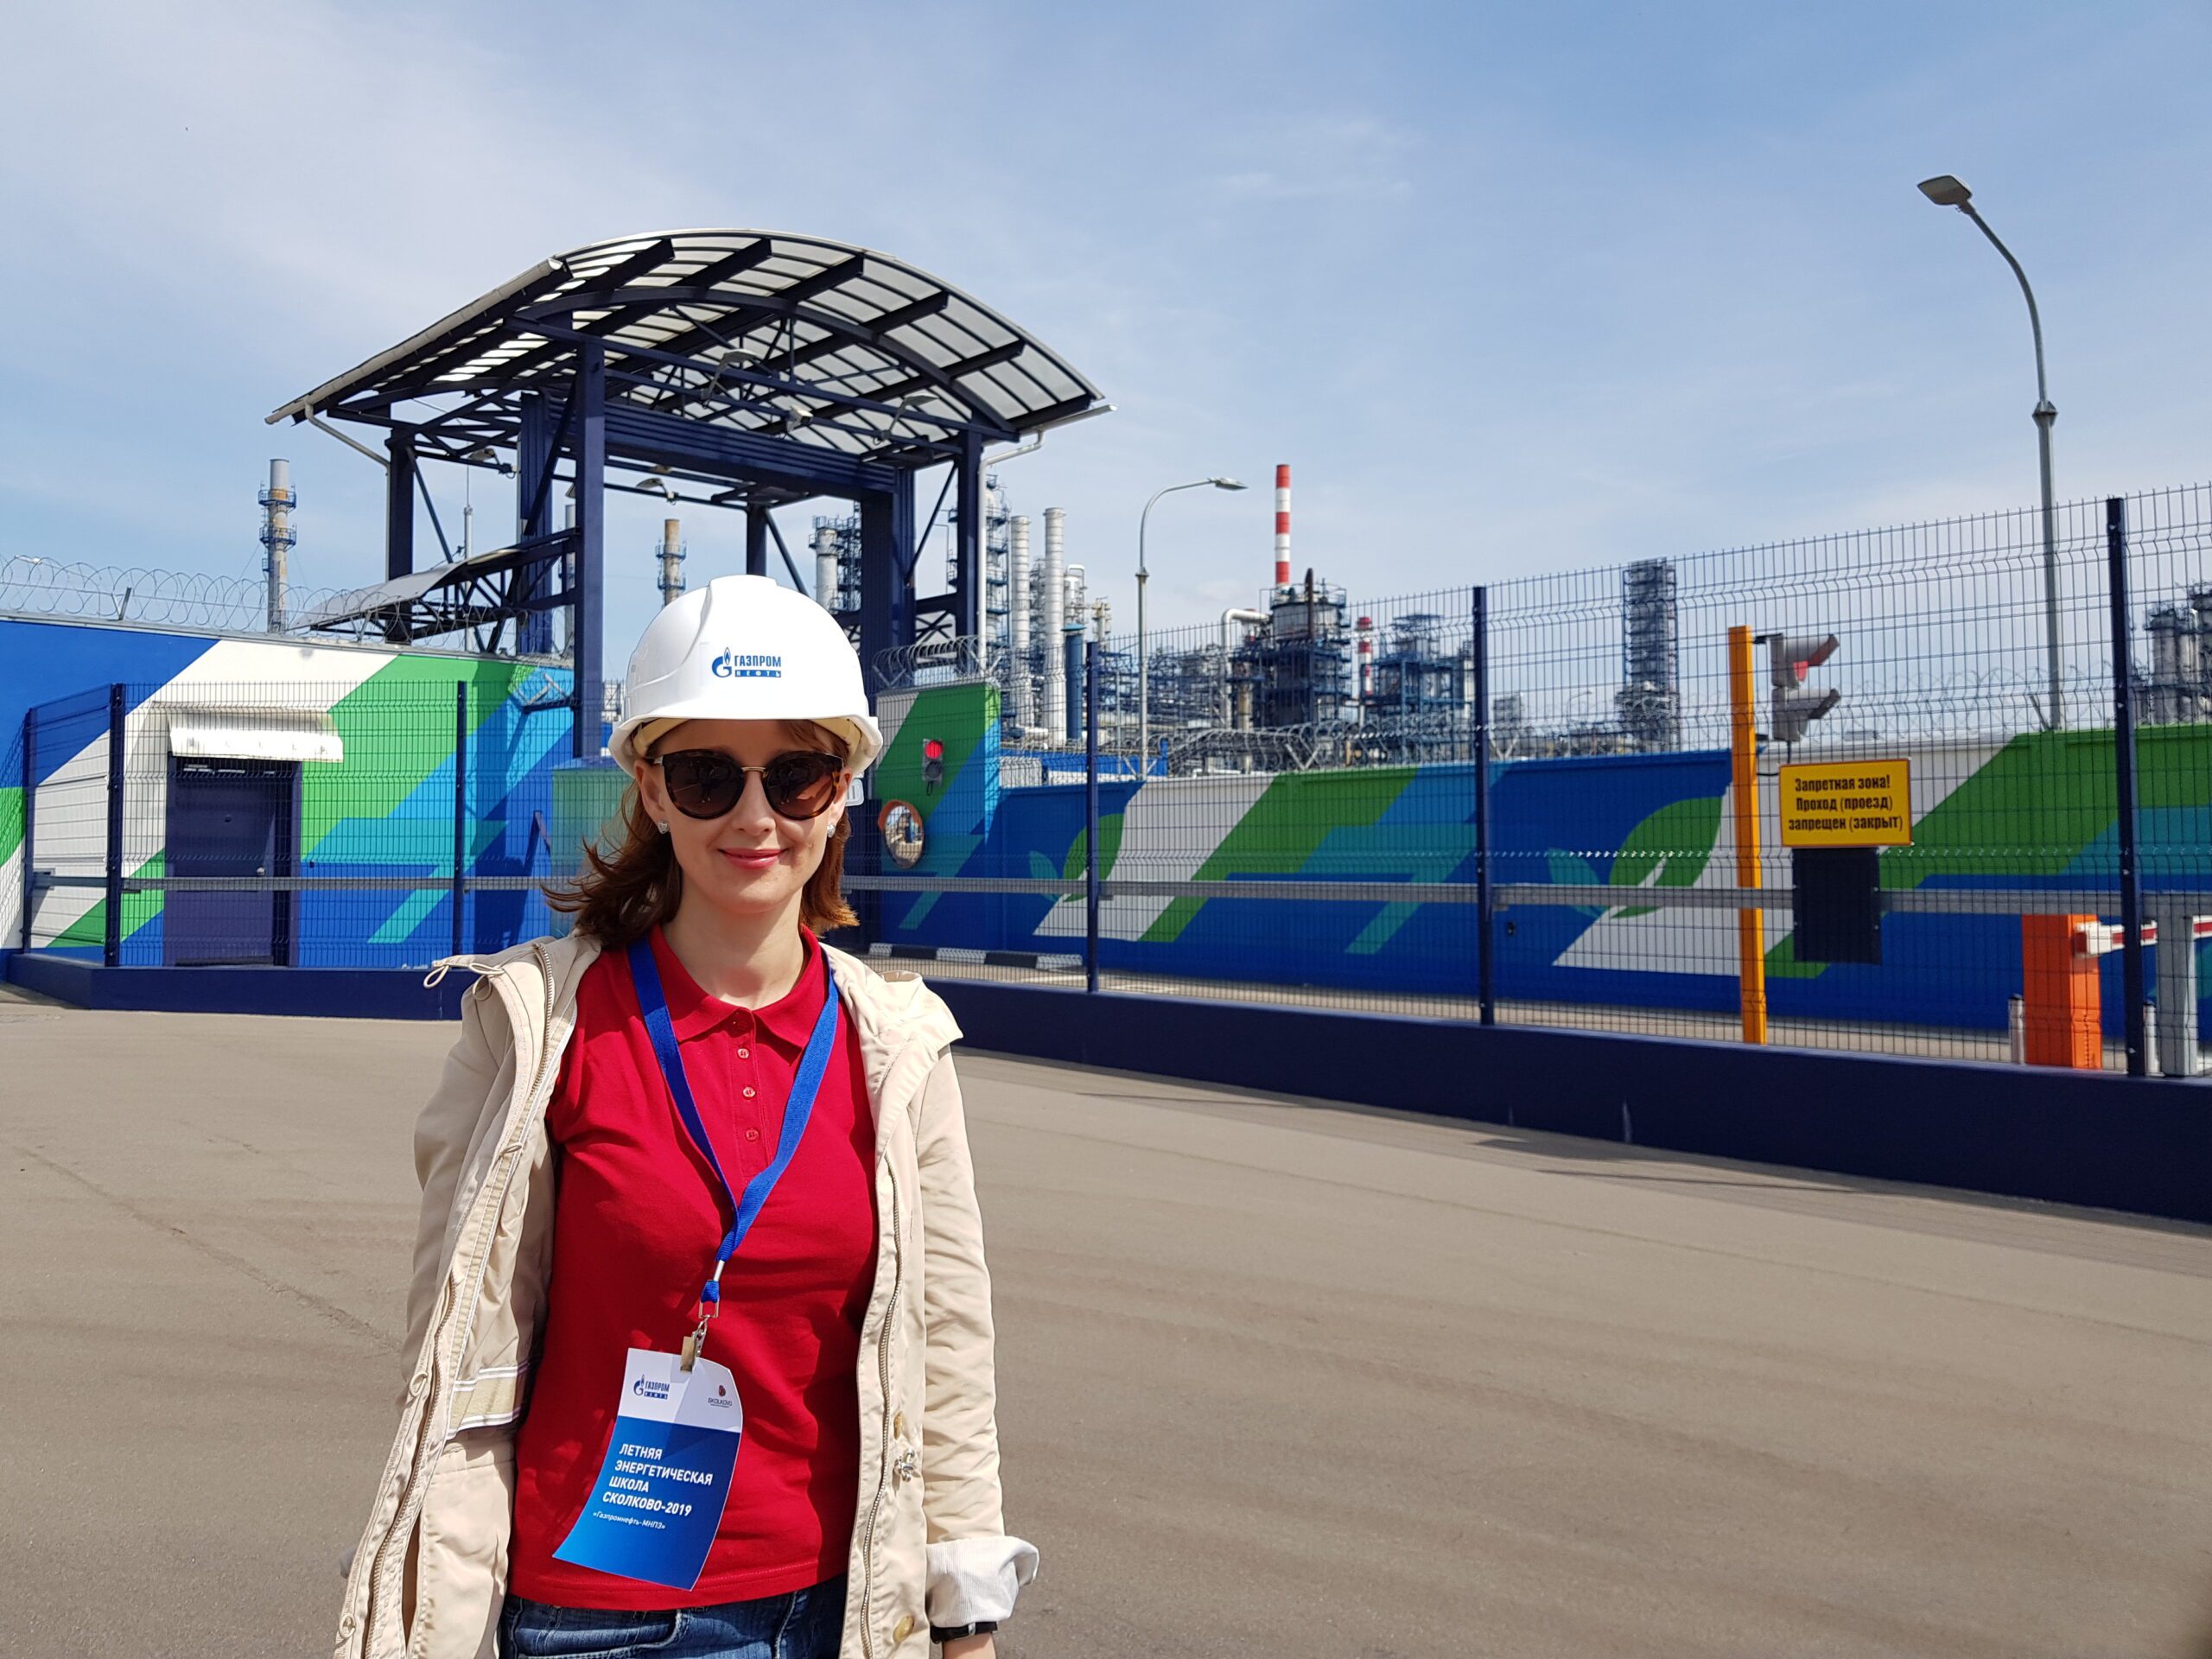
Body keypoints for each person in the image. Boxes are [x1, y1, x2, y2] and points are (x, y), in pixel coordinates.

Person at [333, 575, 1036, 1659]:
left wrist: (966, 1613)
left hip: (845, 1608)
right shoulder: (538, 1029)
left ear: (842, 789)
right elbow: (455, 1344)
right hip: (592, 1618)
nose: (754, 818)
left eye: (794, 775)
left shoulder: (896, 1047)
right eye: (708, 775)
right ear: (652, 792)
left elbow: (948, 1346)